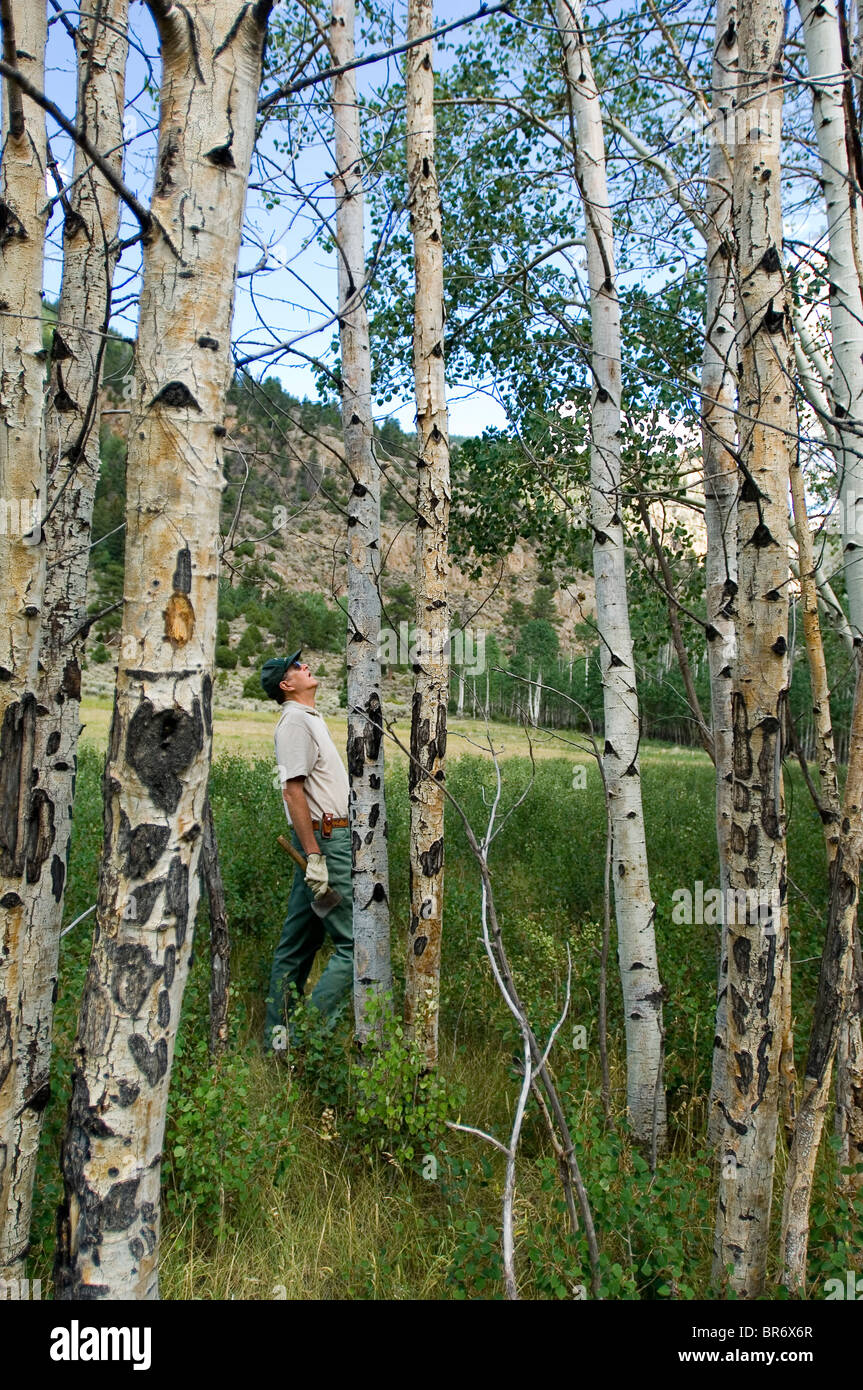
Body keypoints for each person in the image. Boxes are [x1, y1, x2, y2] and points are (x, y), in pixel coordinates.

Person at [260, 651, 353, 1051]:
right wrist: (315, 856)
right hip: (326, 843)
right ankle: (304, 1041)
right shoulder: (295, 722)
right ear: (286, 685)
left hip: (320, 841)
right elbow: (292, 790)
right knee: (354, 947)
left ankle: (276, 1043)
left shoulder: (307, 719)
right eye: (296, 667)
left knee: (297, 945)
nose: (305, 667)